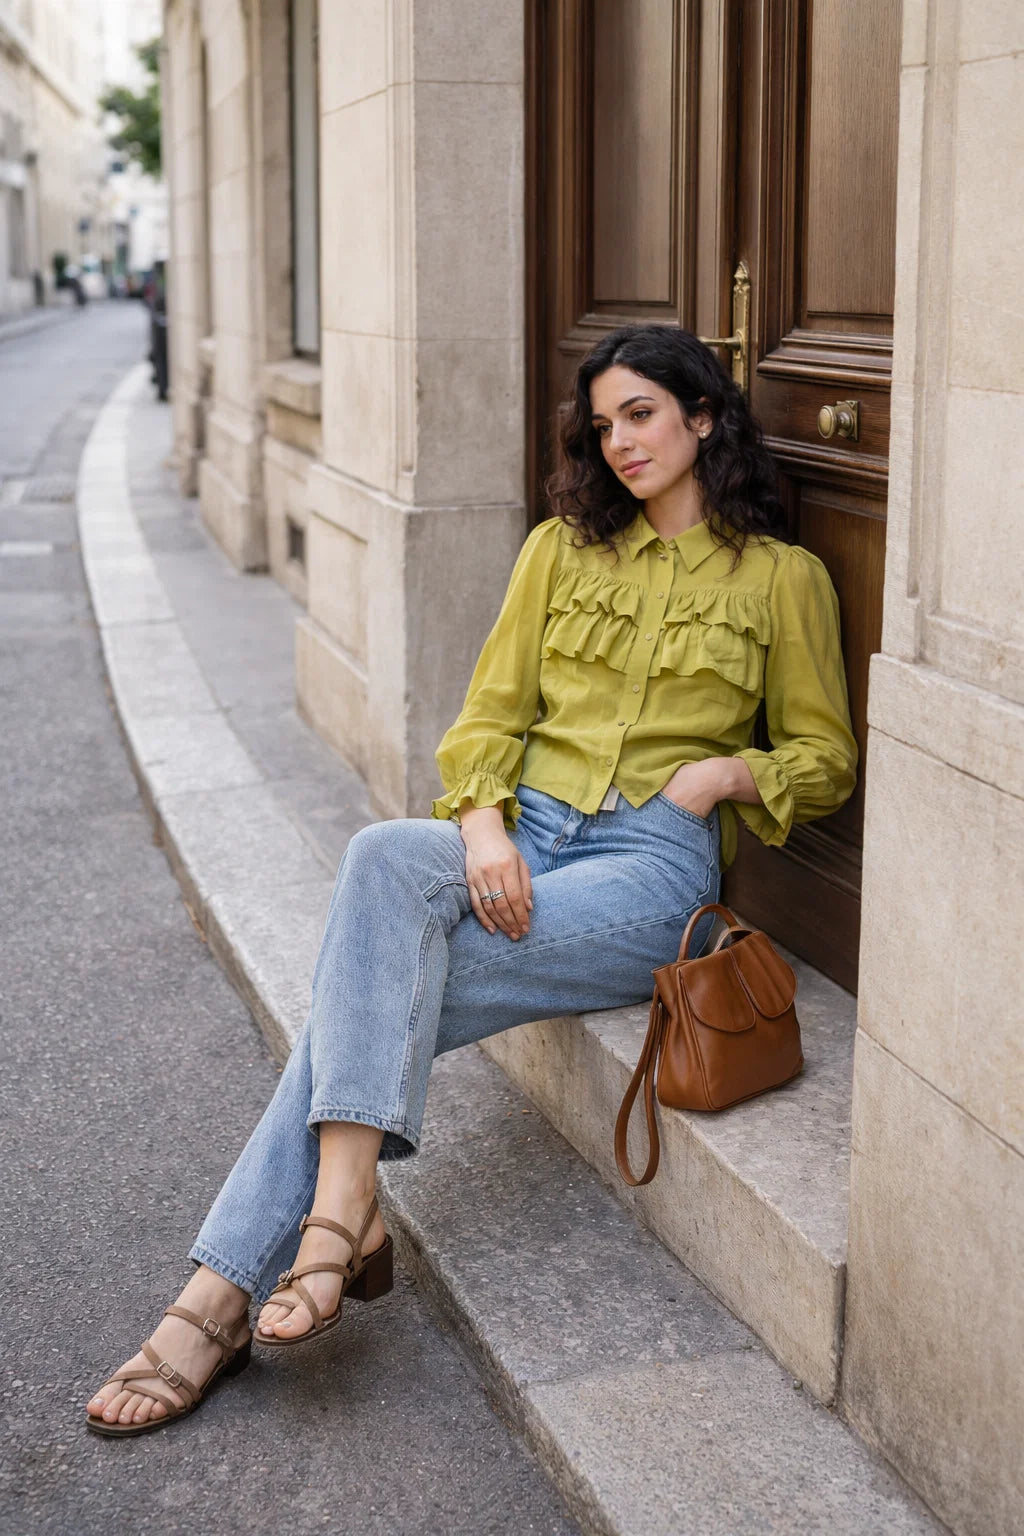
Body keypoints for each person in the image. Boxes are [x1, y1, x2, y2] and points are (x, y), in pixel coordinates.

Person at [85, 323, 857, 1435]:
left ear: (701, 416)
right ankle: (344, 1209)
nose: (621, 442)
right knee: (383, 857)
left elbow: (824, 760)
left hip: (651, 873)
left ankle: (220, 1296)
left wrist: (721, 775)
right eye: (603, 425)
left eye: (641, 414)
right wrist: (486, 828)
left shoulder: (782, 580)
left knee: (366, 1000)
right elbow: (488, 717)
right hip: (530, 831)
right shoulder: (559, 550)